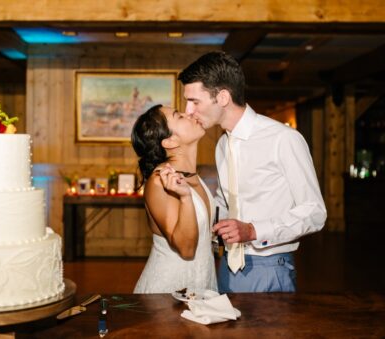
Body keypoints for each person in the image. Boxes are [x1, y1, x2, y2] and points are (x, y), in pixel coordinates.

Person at [180, 51, 326, 293]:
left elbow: (315, 213)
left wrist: (253, 230)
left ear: (223, 97)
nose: (188, 110)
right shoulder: (223, 144)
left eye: (195, 101)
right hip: (226, 264)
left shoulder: (283, 139)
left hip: (270, 268)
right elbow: (227, 203)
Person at [130, 105, 218, 293]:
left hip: (201, 284)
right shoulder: (160, 180)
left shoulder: (194, 176)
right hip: (168, 293)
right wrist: (185, 197)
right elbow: (186, 249)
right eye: (179, 116)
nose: (190, 114)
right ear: (169, 141)